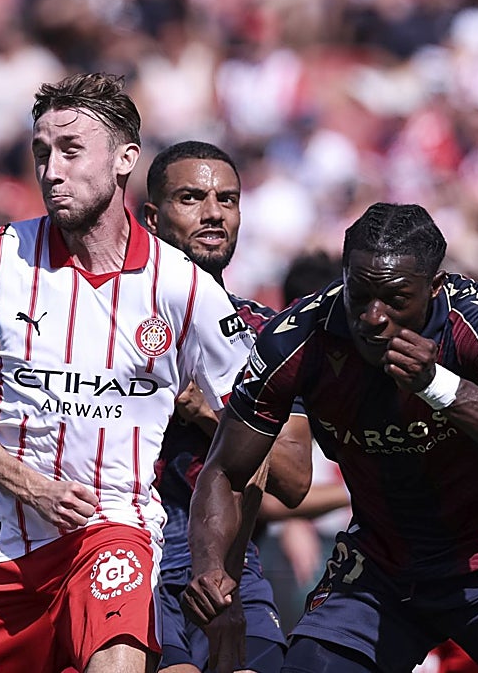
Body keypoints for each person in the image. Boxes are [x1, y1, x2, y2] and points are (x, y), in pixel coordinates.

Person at [0, 74, 254, 673]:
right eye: (42, 152)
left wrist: (222, 567)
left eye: (71, 150)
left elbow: (252, 440)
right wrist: (34, 487)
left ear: (126, 158)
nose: (51, 170)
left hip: (113, 531)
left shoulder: (184, 287)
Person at [184, 202, 478, 673]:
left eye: (395, 297)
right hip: (382, 567)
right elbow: (225, 468)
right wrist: (209, 567)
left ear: (434, 287)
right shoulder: (299, 337)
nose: (373, 316)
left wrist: (438, 384)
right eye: (359, 294)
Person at [142, 140, 313, 673]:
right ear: (152, 217)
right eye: (191, 198)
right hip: (135, 551)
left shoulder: (271, 336)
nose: (214, 212)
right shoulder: (108, 324)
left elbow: (294, 478)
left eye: (228, 199)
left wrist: (211, 413)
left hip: (232, 560)